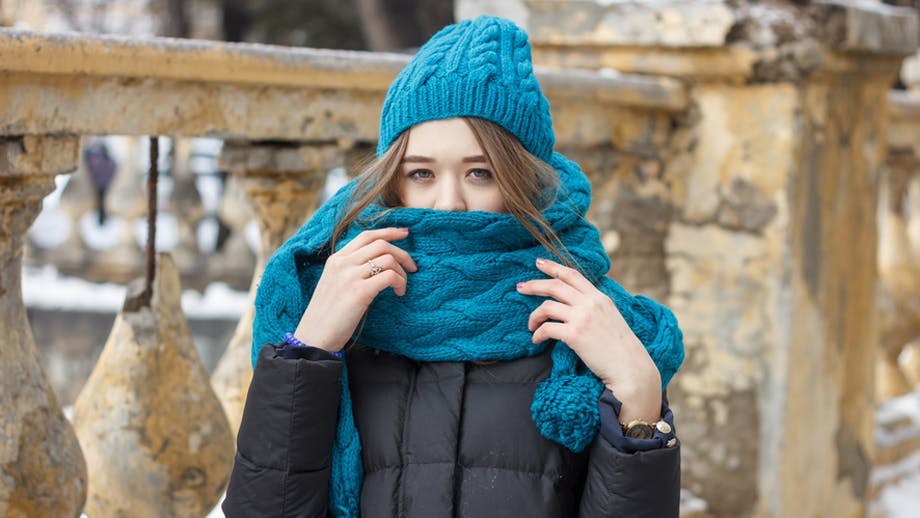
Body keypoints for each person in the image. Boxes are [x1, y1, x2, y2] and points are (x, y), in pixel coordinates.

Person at [223, 15, 685, 518]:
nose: (449, 202)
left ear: (523, 179)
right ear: (393, 182)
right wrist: (308, 350)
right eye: (421, 172)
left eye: (481, 172)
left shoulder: (581, 321)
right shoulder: (335, 305)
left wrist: (640, 399)